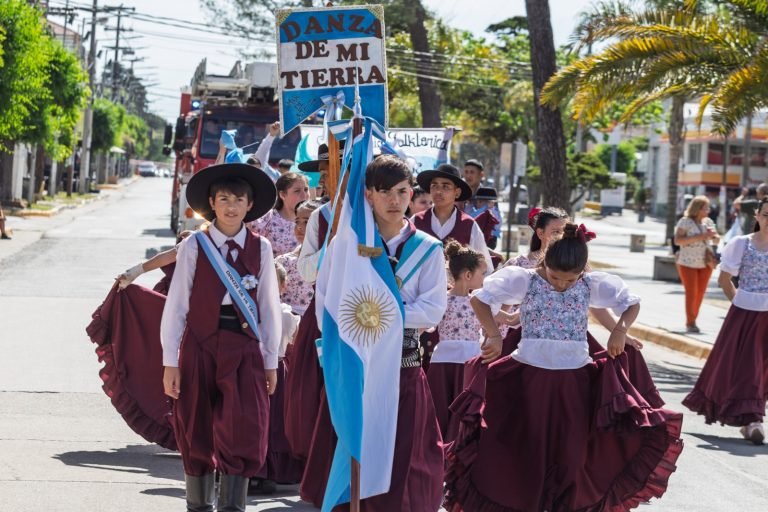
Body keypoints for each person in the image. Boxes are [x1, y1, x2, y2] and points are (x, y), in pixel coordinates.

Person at [444, 223, 683, 512]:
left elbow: (631, 303)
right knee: (526, 453)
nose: (561, 284)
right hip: (527, 381)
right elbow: (480, 299)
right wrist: (494, 335)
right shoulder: (525, 280)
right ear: (545, 263)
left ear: (581, 272)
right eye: (555, 276)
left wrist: (620, 331)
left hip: (575, 384)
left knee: (572, 455)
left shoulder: (590, 284)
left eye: (570, 280)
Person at [313, 154, 447, 510]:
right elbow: (326, 301)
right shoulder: (346, 244)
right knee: (354, 455)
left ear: (411, 194)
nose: (394, 200)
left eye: (401, 191)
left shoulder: (427, 249)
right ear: (368, 194)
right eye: (384, 191)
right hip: (355, 365)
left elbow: (433, 309)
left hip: (403, 367)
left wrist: (377, 316)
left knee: (403, 460)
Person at [160, 162, 282, 512]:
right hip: (199, 346)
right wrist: (170, 361)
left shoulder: (261, 248)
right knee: (194, 425)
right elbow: (177, 304)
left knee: (243, 426)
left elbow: (269, 307)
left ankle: (232, 506)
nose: (231, 207)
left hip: (244, 348)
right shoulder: (194, 245)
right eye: (224, 199)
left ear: (250, 205)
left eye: (239, 200)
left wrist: (270, 361)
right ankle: (198, 505)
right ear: (211, 203)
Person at [683, 197, 768, 444]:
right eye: (766, 215)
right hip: (745, 313)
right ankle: (753, 419)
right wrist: (740, 303)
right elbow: (724, 279)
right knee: (748, 366)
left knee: (763, 367)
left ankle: (751, 418)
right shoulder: (741, 244)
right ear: (757, 216)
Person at [250, 262, 304, 494]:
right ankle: (265, 471)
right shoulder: (283, 314)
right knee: (269, 422)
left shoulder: (280, 314)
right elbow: (295, 342)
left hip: (264, 372)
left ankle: (263, 470)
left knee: (266, 422)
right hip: (266, 371)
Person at [426, 240, 486, 443]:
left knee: (442, 411)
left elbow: (427, 324)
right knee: (457, 413)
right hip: (466, 363)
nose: (484, 278)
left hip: (445, 361)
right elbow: (500, 326)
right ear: (468, 275)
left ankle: (441, 450)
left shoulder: (441, 299)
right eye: (482, 273)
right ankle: (453, 452)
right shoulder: (479, 302)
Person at [412, 163, 493, 272]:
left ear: (457, 192)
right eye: (434, 185)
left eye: (445, 186)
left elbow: (484, 269)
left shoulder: (469, 225)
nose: (438, 191)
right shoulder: (415, 222)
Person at [674, 195, 720, 333]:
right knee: (692, 292)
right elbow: (678, 241)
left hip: (705, 263)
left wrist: (715, 237)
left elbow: (716, 239)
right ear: (697, 209)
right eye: (705, 208)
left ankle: (693, 319)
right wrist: (701, 236)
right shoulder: (685, 222)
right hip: (687, 262)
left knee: (700, 293)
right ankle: (691, 322)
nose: (708, 210)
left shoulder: (709, 222)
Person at [274, 200, 320, 317]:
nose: (299, 227)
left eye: (307, 222)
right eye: (297, 222)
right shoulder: (283, 262)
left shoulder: (330, 259)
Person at [250, 172, 309, 258]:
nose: (304, 195)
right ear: (283, 195)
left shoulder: (314, 220)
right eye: (297, 191)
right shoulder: (266, 219)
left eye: (306, 190)